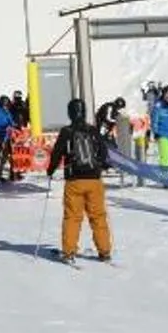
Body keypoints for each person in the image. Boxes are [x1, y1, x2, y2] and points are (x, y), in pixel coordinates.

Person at [49, 100, 115, 263]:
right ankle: (104, 251)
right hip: (94, 180)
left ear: (70, 113)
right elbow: (104, 152)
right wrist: (101, 166)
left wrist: (50, 170)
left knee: (72, 216)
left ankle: (69, 251)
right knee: (98, 216)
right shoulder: (93, 130)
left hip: (74, 180)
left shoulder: (67, 131)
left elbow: (57, 153)